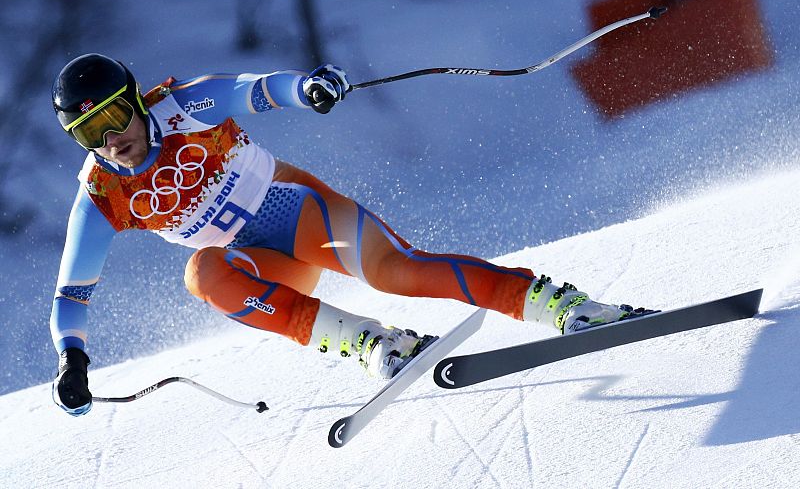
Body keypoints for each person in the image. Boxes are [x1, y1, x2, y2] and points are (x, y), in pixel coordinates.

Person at [50, 53, 645, 416]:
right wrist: (71, 360)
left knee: (400, 273)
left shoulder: (182, 106)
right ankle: (373, 346)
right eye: (88, 132)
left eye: (112, 116)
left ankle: (569, 308)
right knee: (202, 274)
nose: (109, 139)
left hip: (298, 212)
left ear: (133, 100)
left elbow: (254, 89)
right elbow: (71, 294)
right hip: (255, 261)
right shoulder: (102, 194)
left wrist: (306, 89)